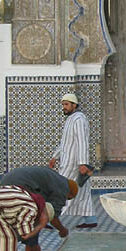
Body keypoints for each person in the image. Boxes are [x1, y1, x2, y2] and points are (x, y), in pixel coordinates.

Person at [0, 166, 78, 251]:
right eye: (68, 198)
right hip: (23, 186)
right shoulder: (63, 188)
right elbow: (52, 215)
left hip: (6, 184)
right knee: (36, 219)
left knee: (14, 218)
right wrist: (62, 230)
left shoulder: (56, 178)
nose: (65, 200)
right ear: (69, 193)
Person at [49, 93, 96, 228]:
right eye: (63, 104)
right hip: (67, 161)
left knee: (63, 189)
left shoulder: (79, 120)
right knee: (82, 190)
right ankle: (90, 219)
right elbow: (65, 143)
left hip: (74, 163)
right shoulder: (71, 119)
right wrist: (55, 157)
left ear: (74, 105)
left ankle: (53, 218)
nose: (64, 107)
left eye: (66, 104)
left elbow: (83, 142)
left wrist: (82, 163)